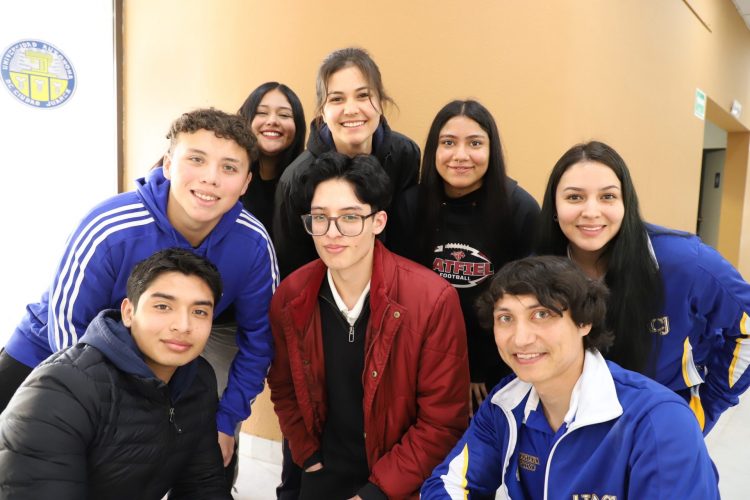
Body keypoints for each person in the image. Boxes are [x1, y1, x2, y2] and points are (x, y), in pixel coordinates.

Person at [0, 108, 278, 483]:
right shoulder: (110, 226)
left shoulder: (253, 245)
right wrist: (107, 409)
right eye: (196, 159)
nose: (211, 177)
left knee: (205, 467)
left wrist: (227, 421)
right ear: (168, 164)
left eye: (229, 167)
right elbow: (66, 325)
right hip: (49, 352)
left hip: (158, 369)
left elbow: (260, 341)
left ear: (245, 182)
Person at [421, 256, 720, 499]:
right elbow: (447, 485)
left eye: (542, 315)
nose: (520, 339)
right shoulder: (505, 403)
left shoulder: (659, 420)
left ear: (584, 321)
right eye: (506, 318)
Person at [267, 152, 470, 499]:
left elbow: (443, 422)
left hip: (399, 482)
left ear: (378, 222)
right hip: (322, 470)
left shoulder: (432, 300)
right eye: (320, 218)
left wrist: (375, 493)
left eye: (350, 217)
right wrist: (306, 453)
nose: (332, 233)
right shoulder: (291, 295)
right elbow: (284, 385)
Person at [534, 140, 750, 434]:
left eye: (608, 196)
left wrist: (707, 406)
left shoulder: (683, 261)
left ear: (626, 204)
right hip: (572, 426)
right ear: (554, 207)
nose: (591, 211)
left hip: (660, 426)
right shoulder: (539, 269)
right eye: (574, 197)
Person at [0, 248, 232, 499]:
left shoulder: (197, 380)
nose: (183, 326)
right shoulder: (61, 390)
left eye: (199, 312)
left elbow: (203, 484)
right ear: (129, 313)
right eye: (163, 306)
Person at [390, 99, 539, 414]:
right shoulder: (409, 207)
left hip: (497, 368)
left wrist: (477, 367)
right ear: (433, 150)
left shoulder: (520, 210)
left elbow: (526, 303)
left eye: (474, 143)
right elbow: (401, 296)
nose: (460, 155)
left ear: (491, 150)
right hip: (422, 361)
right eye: (448, 143)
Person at [273, 46, 420, 278]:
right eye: (336, 99)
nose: (351, 110)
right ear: (322, 111)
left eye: (363, 96)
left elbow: (406, 235)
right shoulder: (296, 178)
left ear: (381, 101)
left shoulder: (405, 154)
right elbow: (293, 266)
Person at [238, 82, 306, 231]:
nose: (272, 121)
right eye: (261, 113)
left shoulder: (309, 178)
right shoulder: (231, 176)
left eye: (284, 115)